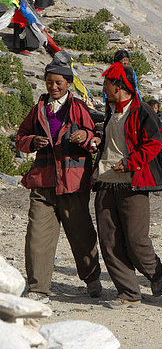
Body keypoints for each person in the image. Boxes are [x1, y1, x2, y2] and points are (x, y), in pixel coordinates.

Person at [16, 57, 102, 302]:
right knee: (37, 236)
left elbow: (95, 137)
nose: (53, 87)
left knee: (81, 233)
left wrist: (84, 136)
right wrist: (32, 142)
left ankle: (92, 277)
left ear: (68, 84)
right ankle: (38, 288)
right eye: (49, 82)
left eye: (59, 83)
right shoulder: (39, 108)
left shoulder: (79, 108)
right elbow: (21, 136)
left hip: (73, 182)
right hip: (43, 182)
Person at [93, 62, 162, 307]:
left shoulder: (142, 111)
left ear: (120, 86)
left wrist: (129, 163)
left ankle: (154, 271)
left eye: (107, 84)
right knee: (109, 241)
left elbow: (153, 144)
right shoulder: (110, 110)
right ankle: (129, 293)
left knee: (136, 240)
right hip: (106, 182)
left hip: (132, 183)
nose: (104, 88)